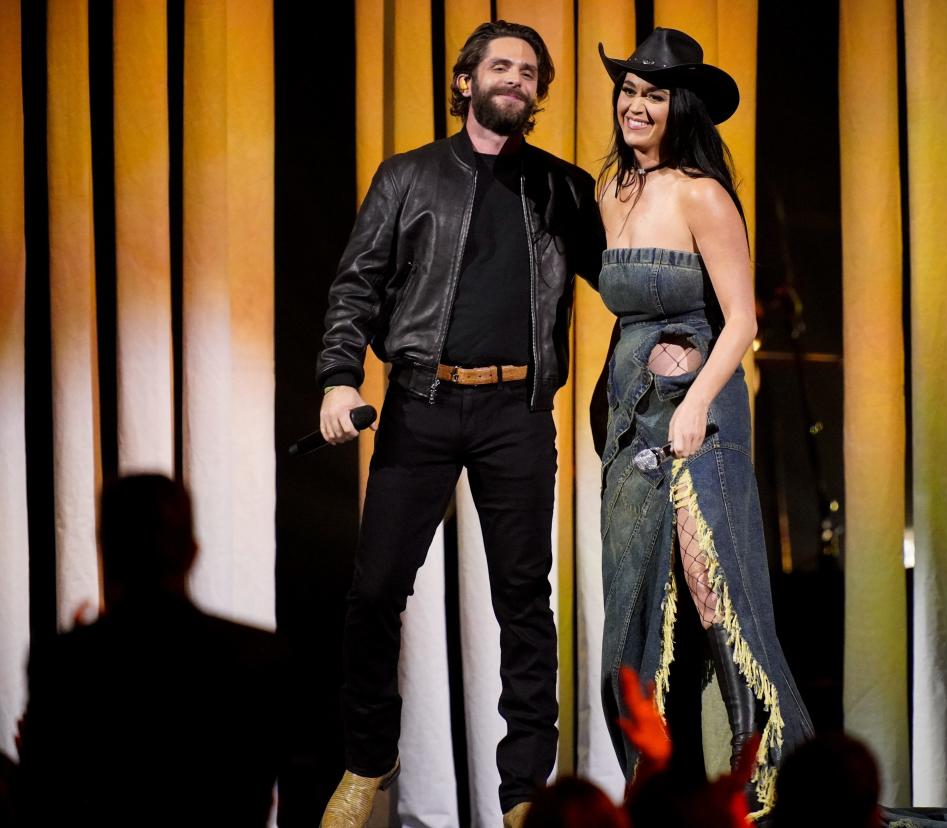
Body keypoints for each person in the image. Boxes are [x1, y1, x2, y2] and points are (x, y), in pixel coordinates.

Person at [315, 19, 605, 828]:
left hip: (517, 411)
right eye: (501, 65)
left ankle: (523, 794)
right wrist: (340, 379)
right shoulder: (408, 177)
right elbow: (355, 287)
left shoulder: (563, 188)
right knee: (374, 592)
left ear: (539, 94)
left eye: (529, 71)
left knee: (523, 598)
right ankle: (369, 763)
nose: (516, 78)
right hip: (422, 404)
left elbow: (622, 277)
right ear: (466, 80)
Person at [593, 27, 814, 822]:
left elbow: (744, 319)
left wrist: (692, 405)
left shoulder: (702, 193)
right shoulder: (608, 190)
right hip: (631, 418)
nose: (636, 104)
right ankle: (655, 786)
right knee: (633, 598)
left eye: (654, 94)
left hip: (700, 416)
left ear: (679, 107)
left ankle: (762, 776)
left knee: (715, 587)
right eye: (629, 90)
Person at [18, 474, 285, 826]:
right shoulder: (261, 658)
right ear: (192, 553)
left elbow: (41, 802)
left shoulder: (64, 661)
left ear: (105, 550)